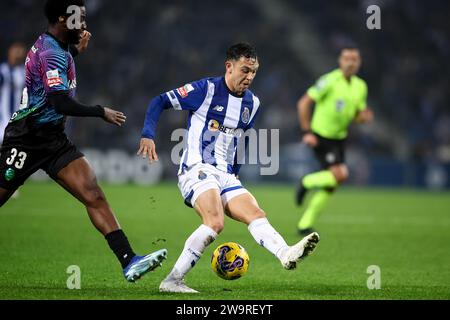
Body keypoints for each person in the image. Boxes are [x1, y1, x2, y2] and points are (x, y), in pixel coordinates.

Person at [0, 0, 167, 282]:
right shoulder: (51, 53)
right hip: (26, 141)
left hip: (53, 141)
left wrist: (75, 52)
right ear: (64, 20)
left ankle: (129, 261)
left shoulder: (60, 48)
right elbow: (60, 102)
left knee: (93, 194)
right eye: (80, 19)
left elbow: (52, 82)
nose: (85, 24)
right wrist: (100, 111)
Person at [138, 43, 320, 293]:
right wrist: (148, 134)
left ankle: (285, 253)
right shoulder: (205, 90)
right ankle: (172, 281)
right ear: (229, 66)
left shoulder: (252, 103)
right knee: (215, 222)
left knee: (256, 214)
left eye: (254, 71)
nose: (249, 77)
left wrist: (236, 171)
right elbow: (159, 102)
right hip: (196, 168)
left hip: (225, 174)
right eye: (245, 70)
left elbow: (242, 139)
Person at [295, 46, 374, 236]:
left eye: (354, 59)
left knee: (331, 185)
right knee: (341, 175)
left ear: (359, 63)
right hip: (322, 136)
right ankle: (307, 181)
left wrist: (363, 117)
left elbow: (356, 115)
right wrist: (307, 131)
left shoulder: (360, 86)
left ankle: (305, 225)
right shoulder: (329, 80)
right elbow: (304, 102)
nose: (350, 62)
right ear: (340, 61)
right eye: (346, 58)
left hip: (339, 138)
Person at [0, 43, 27, 199]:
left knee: (12, 153)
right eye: (16, 51)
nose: (19, 54)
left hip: (17, 120)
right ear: (9, 52)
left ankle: (8, 183)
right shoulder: (2, 71)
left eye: (21, 51)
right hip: (2, 119)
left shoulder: (23, 73)